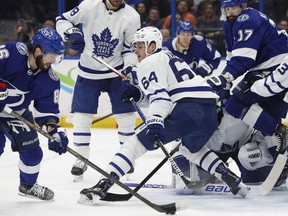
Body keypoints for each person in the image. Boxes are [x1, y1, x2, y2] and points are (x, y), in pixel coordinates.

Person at [78, 26, 248, 204]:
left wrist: (155, 121)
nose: (135, 50)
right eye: (135, 46)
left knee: (133, 145)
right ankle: (229, 177)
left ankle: (102, 185)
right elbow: (168, 92)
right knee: (191, 149)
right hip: (209, 110)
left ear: (152, 46)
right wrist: (139, 95)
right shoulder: (168, 56)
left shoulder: (149, 63)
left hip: (189, 108)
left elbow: (161, 99)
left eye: (139, 46)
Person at [55, 0, 140, 181]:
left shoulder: (132, 17)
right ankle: (80, 159)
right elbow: (61, 20)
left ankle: (127, 158)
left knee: (126, 117)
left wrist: (130, 69)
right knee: (81, 118)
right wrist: (73, 32)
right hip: (88, 72)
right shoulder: (88, 5)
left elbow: (129, 49)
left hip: (116, 72)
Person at [207, 0, 288, 158]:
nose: (230, 12)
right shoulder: (229, 25)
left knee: (236, 103)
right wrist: (225, 82)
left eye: (234, 8)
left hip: (278, 66)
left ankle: (280, 131)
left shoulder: (247, 19)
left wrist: (224, 79)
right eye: (227, 8)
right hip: (267, 67)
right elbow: (232, 59)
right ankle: (280, 160)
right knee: (268, 114)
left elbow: (244, 60)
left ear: (243, 6)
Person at [0, 28, 69, 201]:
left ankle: (27, 186)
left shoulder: (49, 79)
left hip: (15, 113)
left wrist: (55, 132)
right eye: (51, 56)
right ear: (38, 50)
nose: (52, 61)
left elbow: (47, 112)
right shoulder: (12, 53)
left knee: (33, 153)